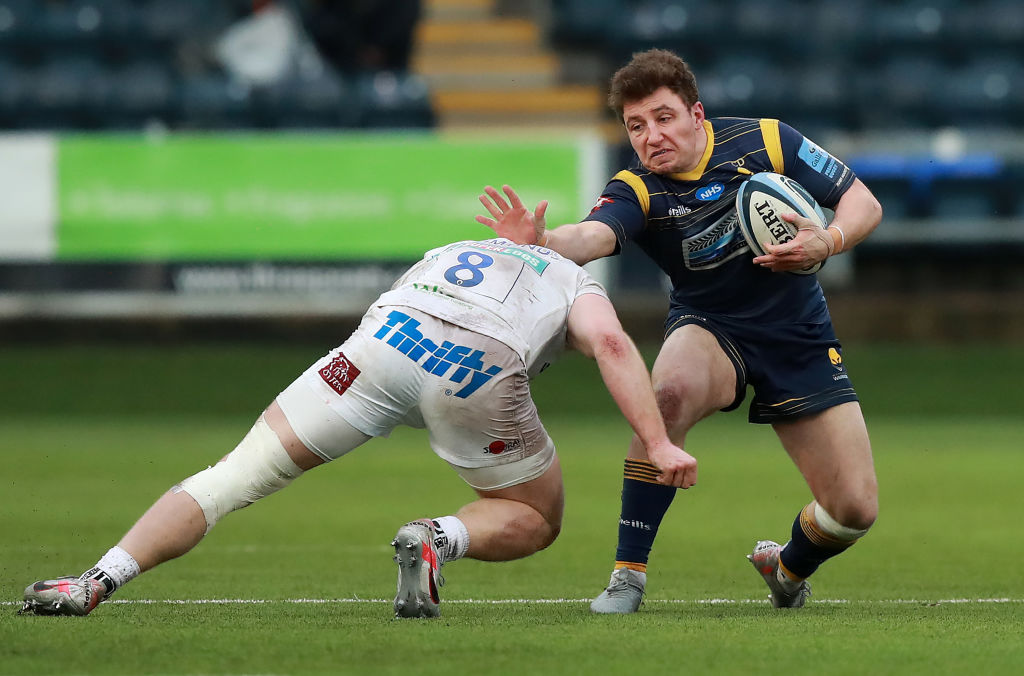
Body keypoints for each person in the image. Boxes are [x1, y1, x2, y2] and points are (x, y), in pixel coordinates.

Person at [19, 236, 697, 620]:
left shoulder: (455, 245)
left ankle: (95, 581)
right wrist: (659, 441)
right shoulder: (578, 282)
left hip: (381, 343)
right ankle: (438, 539)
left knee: (233, 475)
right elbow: (610, 347)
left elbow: (396, 301)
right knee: (534, 514)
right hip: (472, 368)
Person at [477, 48, 883, 612]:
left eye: (663, 118)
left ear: (697, 114)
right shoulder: (637, 186)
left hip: (799, 334)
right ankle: (627, 575)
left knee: (854, 508)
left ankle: (787, 566)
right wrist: (543, 243)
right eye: (636, 126)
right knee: (664, 396)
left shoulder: (765, 140)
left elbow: (862, 202)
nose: (651, 137)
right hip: (710, 328)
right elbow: (594, 236)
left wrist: (828, 240)